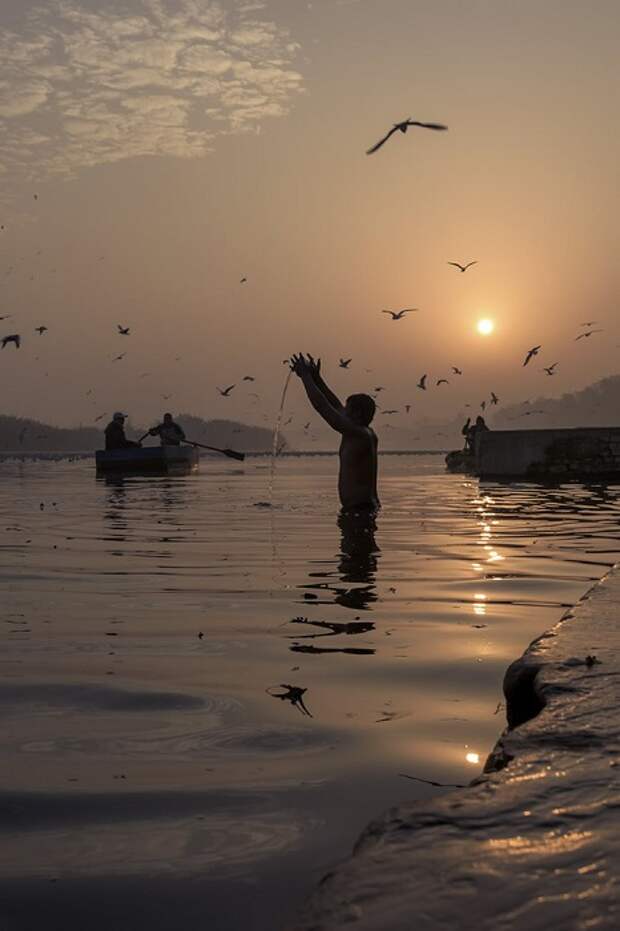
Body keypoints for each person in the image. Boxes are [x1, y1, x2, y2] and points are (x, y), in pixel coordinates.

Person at [290, 353, 379, 512]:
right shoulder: (361, 431)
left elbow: (322, 406)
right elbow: (334, 405)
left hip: (360, 510)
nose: (342, 411)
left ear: (357, 414)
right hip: (359, 508)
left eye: (347, 409)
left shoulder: (360, 434)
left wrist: (305, 377)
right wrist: (316, 378)